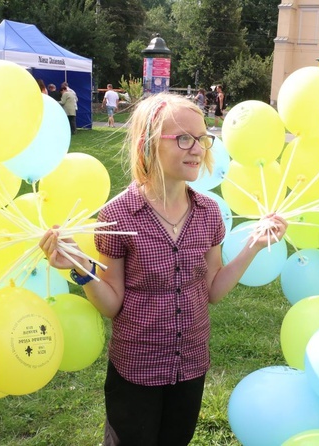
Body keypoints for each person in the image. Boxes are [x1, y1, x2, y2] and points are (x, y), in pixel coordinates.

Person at [39, 92, 287, 446]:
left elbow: (213, 290)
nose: (198, 149)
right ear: (148, 144)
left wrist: (255, 244)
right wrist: (82, 267)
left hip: (190, 365)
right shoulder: (118, 216)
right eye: (184, 138)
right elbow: (112, 305)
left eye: (203, 138)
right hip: (137, 369)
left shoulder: (207, 213)